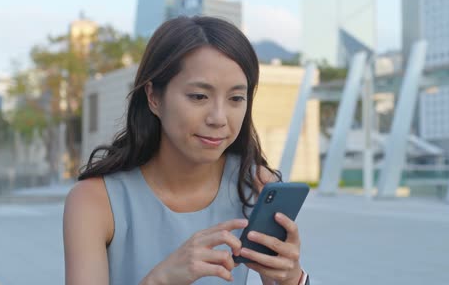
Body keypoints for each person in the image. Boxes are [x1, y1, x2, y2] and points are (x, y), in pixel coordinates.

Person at [63, 16, 309, 285]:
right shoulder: (95, 202)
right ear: (154, 97)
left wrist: (292, 278)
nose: (219, 118)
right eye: (199, 97)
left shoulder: (256, 186)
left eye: (236, 98)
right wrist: (160, 280)